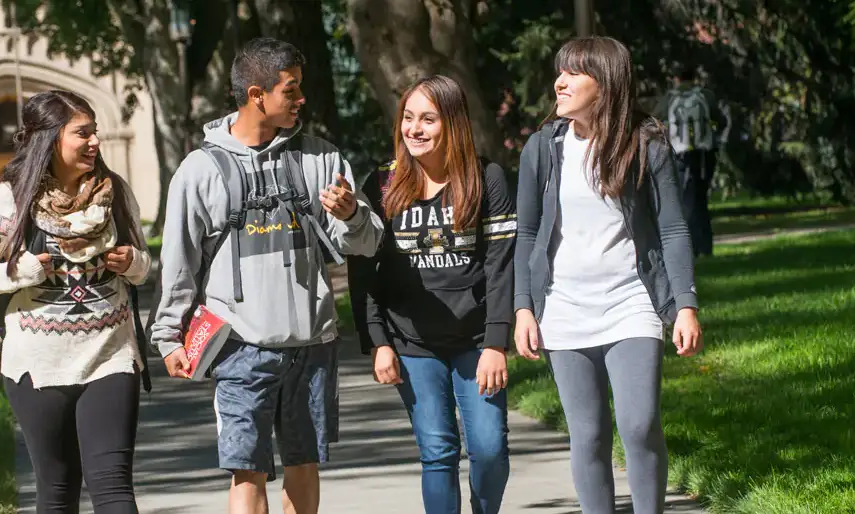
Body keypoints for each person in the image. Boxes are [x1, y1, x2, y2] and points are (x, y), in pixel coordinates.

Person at [147, 37, 383, 514]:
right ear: (257, 94)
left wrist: (355, 213)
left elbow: (367, 243)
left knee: (305, 461)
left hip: (311, 343)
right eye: (290, 90)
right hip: (238, 346)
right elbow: (179, 261)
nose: (301, 100)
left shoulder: (323, 160)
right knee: (245, 468)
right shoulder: (199, 171)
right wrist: (168, 336)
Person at [512, 37, 703, 514]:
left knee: (638, 424)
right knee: (589, 434)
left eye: (574, 73)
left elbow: (673, 227)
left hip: (631, 302)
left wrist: (685, 304)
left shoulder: (646, 141)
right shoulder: (543, 148)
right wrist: (523, 308)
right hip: (563, 306)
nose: (560, 82)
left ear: (607, 84)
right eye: (560, 71)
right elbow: (528, 232)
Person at [0, 90, 152, 513]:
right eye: (83, 133)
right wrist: (20, 272)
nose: (95, 142)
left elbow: (144, 264)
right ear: (49, 139)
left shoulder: (114, 193)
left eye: (95, 132)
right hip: (37, 365)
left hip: (111, 357)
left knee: (114, 486)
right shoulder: (8, 201)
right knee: (58, 489)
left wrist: (133, 262)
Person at [348, 75, 515, 514]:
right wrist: (378, 342)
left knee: (489, 449)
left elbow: (501, 268)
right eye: (408, 118)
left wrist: (497, 343)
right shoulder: (382, 185)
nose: (414, 129)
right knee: (438, 451)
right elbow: (364, 272)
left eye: (428, 119)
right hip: (411, 343)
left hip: (476, 341)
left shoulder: (487, 179)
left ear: (453, 125)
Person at [658, 65, 728, 257]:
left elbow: (654, 121)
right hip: (703, 155)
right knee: (700, 200)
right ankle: (705, 246)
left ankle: (688, 248)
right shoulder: (705, 95)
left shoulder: (669, 98)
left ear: (675, 78)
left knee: (683, 200)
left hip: (679, 155)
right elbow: (721, 121)